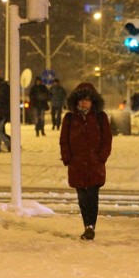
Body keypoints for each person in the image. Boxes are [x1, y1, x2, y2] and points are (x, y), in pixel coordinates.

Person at [59, 82, 112, 241]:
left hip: (95, 164)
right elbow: (64, 140)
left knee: (92, 196)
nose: (84, 102)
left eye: (87, 100)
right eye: (81, 99)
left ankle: (91, 226)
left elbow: (107, 140)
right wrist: (68, 158)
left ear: (93, 101)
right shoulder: (69, 118)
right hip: (77, 164)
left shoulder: (100, 117)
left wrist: (101, 157)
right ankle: (86, 224)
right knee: (82, 197)